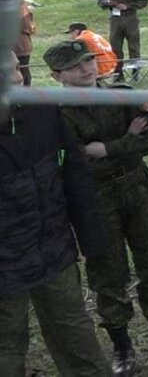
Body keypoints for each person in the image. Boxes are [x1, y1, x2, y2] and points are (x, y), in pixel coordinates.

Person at [46, 40, 148, 375]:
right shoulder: (56, 113)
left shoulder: (122, 93)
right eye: (74, 66)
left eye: (88, 61)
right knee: (108, 273)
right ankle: (122, 348)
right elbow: (73, 164)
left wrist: (109, 148)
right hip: (94, 199)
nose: (85, 69)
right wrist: (124, 143)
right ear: (57, 76)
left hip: (137, 188)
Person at [0, 51, 110, 376]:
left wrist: (91, 239)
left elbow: (71, 171)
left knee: (76, 334)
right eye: (7, 73)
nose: (19, 78)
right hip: (5, 265)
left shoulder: (42, 109)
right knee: (7, 345)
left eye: (17, 68)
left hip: (53, 249)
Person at [97, 0, 148, 81]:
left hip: (130, 18)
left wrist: (128, 6)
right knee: (115, 47)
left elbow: (144, 0)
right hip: (115, 19)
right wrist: (109, 3)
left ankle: (135, 74)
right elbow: (100, 1)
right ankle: (118, 74)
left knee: (133, 47)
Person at [14, 0, 35, 87]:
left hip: (19, 45)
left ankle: (25, 99)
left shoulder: (18, 3)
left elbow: (25, 24)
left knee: (22, 72)